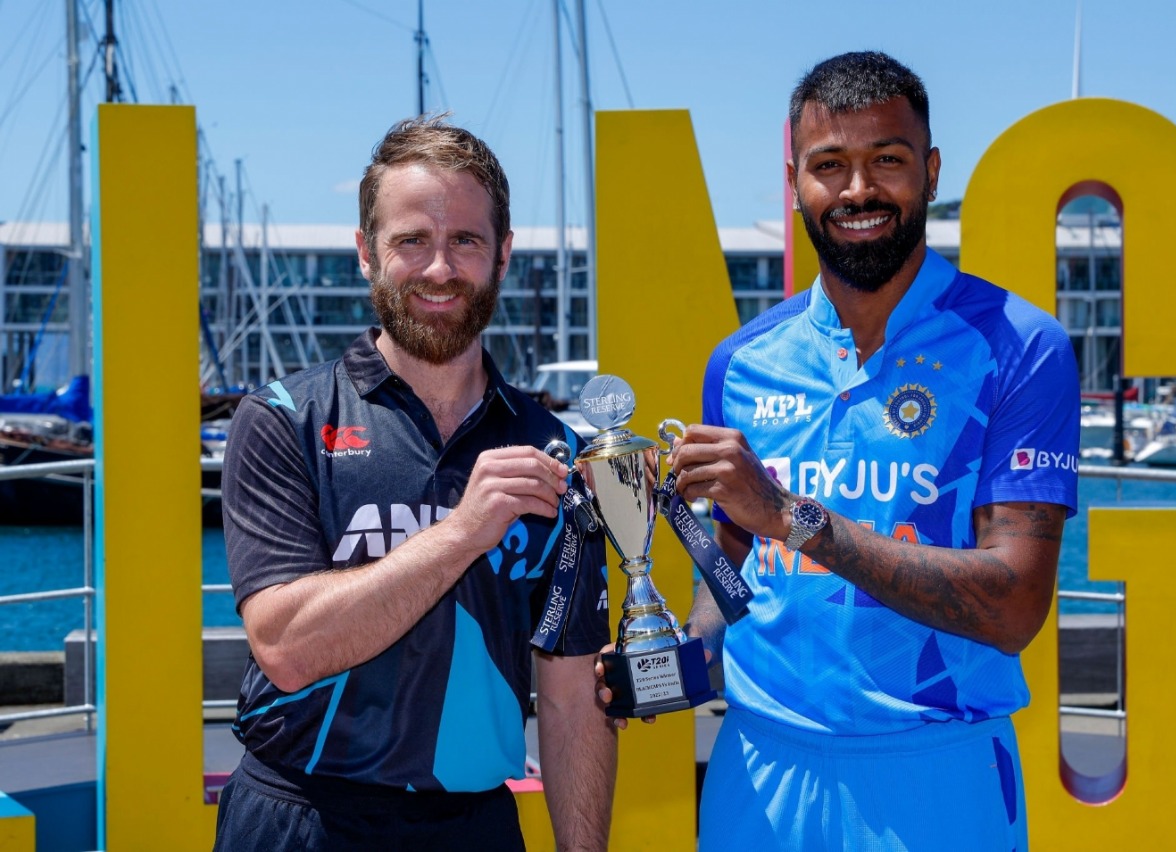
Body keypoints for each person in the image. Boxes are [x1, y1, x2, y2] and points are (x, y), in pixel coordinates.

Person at [669, 52, 1080, 850]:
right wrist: (680, 655)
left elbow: (1014, 606)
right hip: (758, 769)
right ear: (795, 184)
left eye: (887, 160)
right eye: (829, 165)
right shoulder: (741, 362)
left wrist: (794, 518)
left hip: (936, 770)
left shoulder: (1019, 348)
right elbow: (734, 567)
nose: (858, 191)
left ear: (930, 172)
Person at [213, 116, 616, 851]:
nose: (439, 269)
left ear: (503, 255)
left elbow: (570, 698)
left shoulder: (555, 452)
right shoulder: (284, 418)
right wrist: (463, 532)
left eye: (465, 240)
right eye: (411, 241)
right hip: (300, 819)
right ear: (367, 253)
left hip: (473, 826)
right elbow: (286, 647)